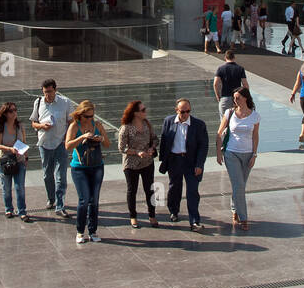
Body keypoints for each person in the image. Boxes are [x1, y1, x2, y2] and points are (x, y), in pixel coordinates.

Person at [158, 98, 209, 230]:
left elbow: (203, 146)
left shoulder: (198, 125)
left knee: (192, 191)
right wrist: (164, 160)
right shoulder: (169, 121)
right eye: (182, 112)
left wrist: (199, 164)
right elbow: (164, 140)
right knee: (174, 187)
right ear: (177, 110)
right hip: (174, 160)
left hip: (191, 161)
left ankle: (194, 220)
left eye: (188, 111)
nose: (185, 114)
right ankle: (174, 211)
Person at [216, 87, 260, 231]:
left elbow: (255, 136)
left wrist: (254, 154)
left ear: (245, 98)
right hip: (231, 153)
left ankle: (235, 209)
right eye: (234, 98)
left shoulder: (254, 116)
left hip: (247, 154)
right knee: (239, 185)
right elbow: (219, 132)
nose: (235, 100)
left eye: (238, 97)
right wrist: (218, 152)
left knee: (240, 185)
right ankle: (244, 218)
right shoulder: (229, 113)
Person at [66, 99, 109, 243]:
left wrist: (101, 138)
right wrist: (82, 137)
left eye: (92, 116)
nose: (90, 119)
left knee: (94, 200)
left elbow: (108, 144)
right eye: (87, 116)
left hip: (97, 166)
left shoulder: (97, 125)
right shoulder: (74, 126)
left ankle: (93, 230)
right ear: (80, 115)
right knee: (84, 200)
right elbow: (67, 145)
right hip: (79, 168)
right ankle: (79, 231)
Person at [30, 78, 71, 216]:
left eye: (50, 92)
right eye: (45, 92)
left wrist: (67, 138)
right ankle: (51, 198)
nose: (47, 95)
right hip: (44, 143)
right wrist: (42, 126)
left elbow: (71, 122)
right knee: (47, 174)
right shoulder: (39, 102)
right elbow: (34, 123)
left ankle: (60, 205)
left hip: (60, 143)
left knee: (61, 175)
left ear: (55, 90)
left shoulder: (65, 102)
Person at [118, 100, 159, 228]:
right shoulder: (126, 128)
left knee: (150, 189)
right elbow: (121, 148)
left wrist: (152, 147)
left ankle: (152, 215)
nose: (145, 112)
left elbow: (155, 139)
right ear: (135, 113)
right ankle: (133, 216)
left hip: (147, 162)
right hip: (131, 164)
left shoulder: (147, 124)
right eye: (143, 110)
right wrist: (137, 152)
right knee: (132, 190)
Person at [0, 102, 32, 222]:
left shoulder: (20, 126)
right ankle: (8, 208)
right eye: (11, 111)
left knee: (19, 187)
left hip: (19, 160)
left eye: (15, 110)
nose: (14, 113)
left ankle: (22, 211)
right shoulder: (1, 127)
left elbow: (24, 142)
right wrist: (9, 149)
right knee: (6, 187)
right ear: (5, 113)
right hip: (5, 161)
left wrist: (26, 157)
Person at [214, 49, 249, 122]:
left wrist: (218, 96)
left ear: (225, 57)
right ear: (234, 57)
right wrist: (246, 97)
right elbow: (245, 84)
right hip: (237, 98)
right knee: (237, 120)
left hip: (225, 98)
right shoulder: (240, 69)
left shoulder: (220, 69)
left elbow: (215, 84)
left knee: (224, 122)